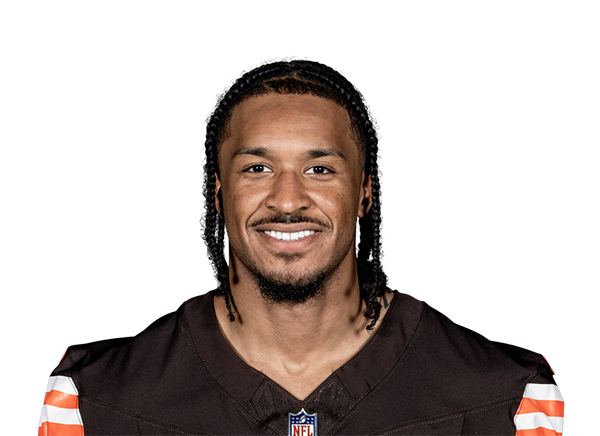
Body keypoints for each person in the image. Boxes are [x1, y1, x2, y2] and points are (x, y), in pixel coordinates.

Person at [38, 56, 564, 436]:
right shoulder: (93, 401)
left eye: (319, 169)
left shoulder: (510, 402)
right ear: (218, 193)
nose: (287, 200)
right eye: (257, 168)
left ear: (364, 190)